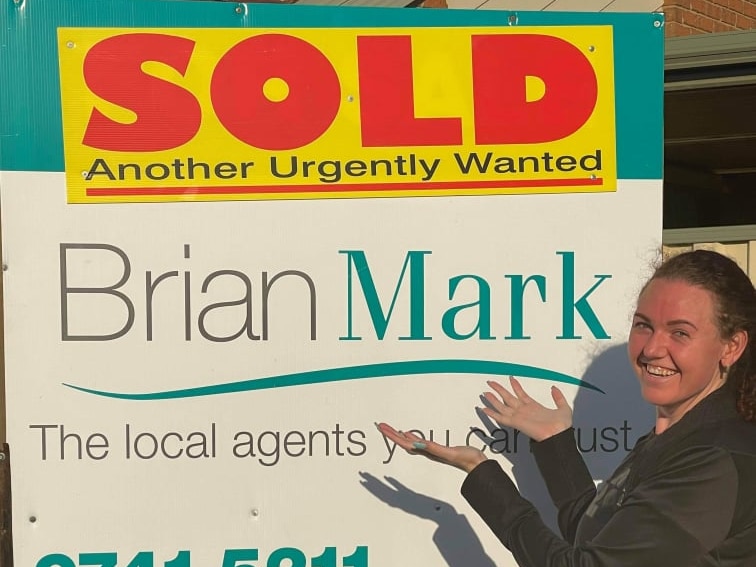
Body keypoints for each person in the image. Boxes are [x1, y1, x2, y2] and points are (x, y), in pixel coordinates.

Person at [378, 249, 756, 566]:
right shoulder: (676, 438)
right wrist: (556, 442)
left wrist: (479, 472)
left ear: (731, 347)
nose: (652, 348)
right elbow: (600, 537)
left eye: (680, 333)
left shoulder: (713, 462)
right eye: (643, 325)